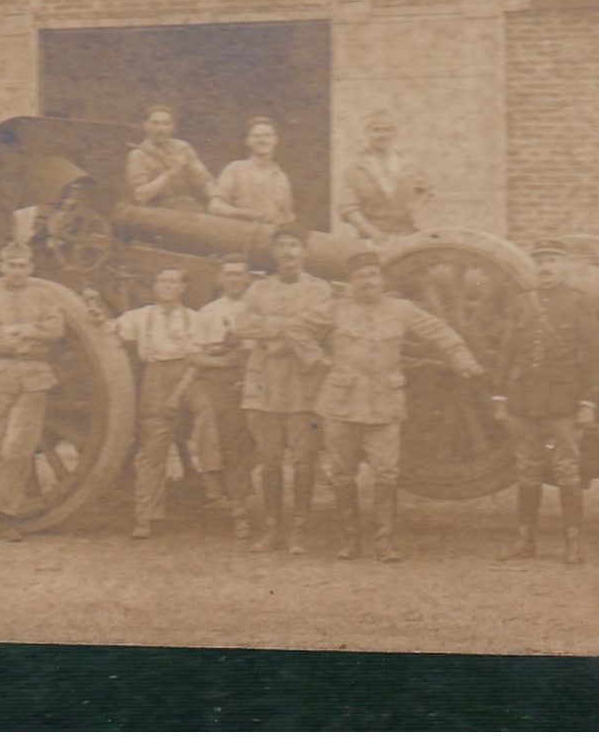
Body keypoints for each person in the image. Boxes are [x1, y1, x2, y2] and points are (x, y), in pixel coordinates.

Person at [287, 252, 485, 563]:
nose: (367, 282)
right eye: (360, 276)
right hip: (341, 403)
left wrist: (463, 360)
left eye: (372, 275)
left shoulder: (400, 309)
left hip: (384, 405)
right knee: (342, 475)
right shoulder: (337, 309)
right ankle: (351, 542)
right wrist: (317, 360)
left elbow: (439, 332)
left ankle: (384, 544)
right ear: (351, 282)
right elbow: (296, 328)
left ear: (383, 280)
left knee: (387, 474)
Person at [492, 239, 599, 565]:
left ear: (564, 266)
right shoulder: (522, 303)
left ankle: (573, 544)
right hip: (523, 399)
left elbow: (595, 356)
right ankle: (525, 542)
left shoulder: (579, 303)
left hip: (562, 402)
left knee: (567, 470)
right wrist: (500, 395)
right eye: (540, 261)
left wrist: (588, 402)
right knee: (528, 470)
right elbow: (507, 351)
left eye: (553, 261)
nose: (546, 268)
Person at [232, 226, 334, 553]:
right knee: (270, 461)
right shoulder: (258, 289)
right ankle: (273, 529)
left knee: (304, 462)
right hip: (265, 384)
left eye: (294, 246)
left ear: (304, 252)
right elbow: (241, 324)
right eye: (282, 247)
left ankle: (299, 532)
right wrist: (290, 330)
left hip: (304, 385)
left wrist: (273, 330)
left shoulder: (320, 290)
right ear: (274, 253)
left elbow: (321, 324)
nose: (288, 253)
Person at [0, 243, 64, 542]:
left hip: (34, 377)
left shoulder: (45, 297)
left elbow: (56, 330)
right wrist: (31, 333)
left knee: (18, 447)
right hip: (1, 376)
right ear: (1, 266)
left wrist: (15, 331)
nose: (17, 271)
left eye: (22, 266)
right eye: (12, 265)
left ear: (31, 268)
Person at [110, 268, 202, 539]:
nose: (167, 287)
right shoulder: (141, 317)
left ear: (182, 287)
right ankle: (146, 517)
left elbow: (197, 359)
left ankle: (220, 494)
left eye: (173, 282)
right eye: (162, 281)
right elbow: (111, 328)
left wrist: (180, 392)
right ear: (155, 287)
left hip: (187, 377)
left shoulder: (193, 319)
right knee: (152, 447)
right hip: (155, 378)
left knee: (211, 426)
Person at [191, 257, 259, 539]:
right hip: (222, 384)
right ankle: (239, 510)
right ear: (220, 278)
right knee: (232, 443)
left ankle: (253, 501)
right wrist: (224, 363)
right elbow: (192, 354)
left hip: (257, 379)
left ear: (248, 279)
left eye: (240, 274)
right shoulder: (208, 312)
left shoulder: (258, 308)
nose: (234, 279)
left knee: (257, 442)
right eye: (229, 274)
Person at [339, 110, 432, 242]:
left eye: (387, 130)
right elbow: (348, 209)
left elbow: (426, 190)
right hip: (371, 238)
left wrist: (415, 211)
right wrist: (374, 234)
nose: (382, 135)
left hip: (407, 235)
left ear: (394, 133)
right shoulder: (356, 170)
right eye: (376, 130)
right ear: (367, 133)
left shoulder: (408, 165)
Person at [125, 105, 216, 211]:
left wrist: (216, 198)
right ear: (145, 125)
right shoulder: (138, 155)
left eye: (166, 124)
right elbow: (140, 195)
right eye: (155, 123)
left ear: (173, 127)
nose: (161, 129)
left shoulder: (183, 148)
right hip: (154, 211)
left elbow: (203, 180)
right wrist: (170, 173)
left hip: (186, 208)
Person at [210, 116, 296, 225]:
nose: (262, 140)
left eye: (267, 135)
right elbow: (216, 206)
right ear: (248, 141)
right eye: (256, 136)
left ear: (275, 140)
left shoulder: (281, 177)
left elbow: (287, 216)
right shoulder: (236, 169)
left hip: (271, 238)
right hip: (241, 235)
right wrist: (247, 214)